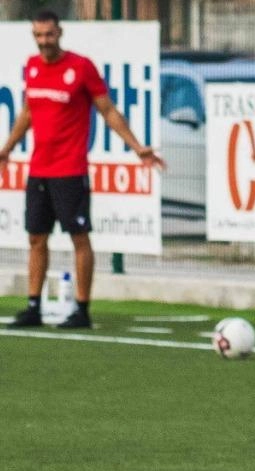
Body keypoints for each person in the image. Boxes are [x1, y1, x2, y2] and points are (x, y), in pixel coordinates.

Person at [2, 10, 164, 329]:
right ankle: (34, 306)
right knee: (36, 238)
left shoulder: (80, 67)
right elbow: (27, 113)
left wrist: (137, 146)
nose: (44, 42)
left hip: (70, 170)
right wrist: (6, 148)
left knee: (79, 238)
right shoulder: (33, 67)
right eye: (38, 36)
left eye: (48, 35)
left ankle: (82, 309)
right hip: (39, 170)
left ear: (59, 33)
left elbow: (108, 110)